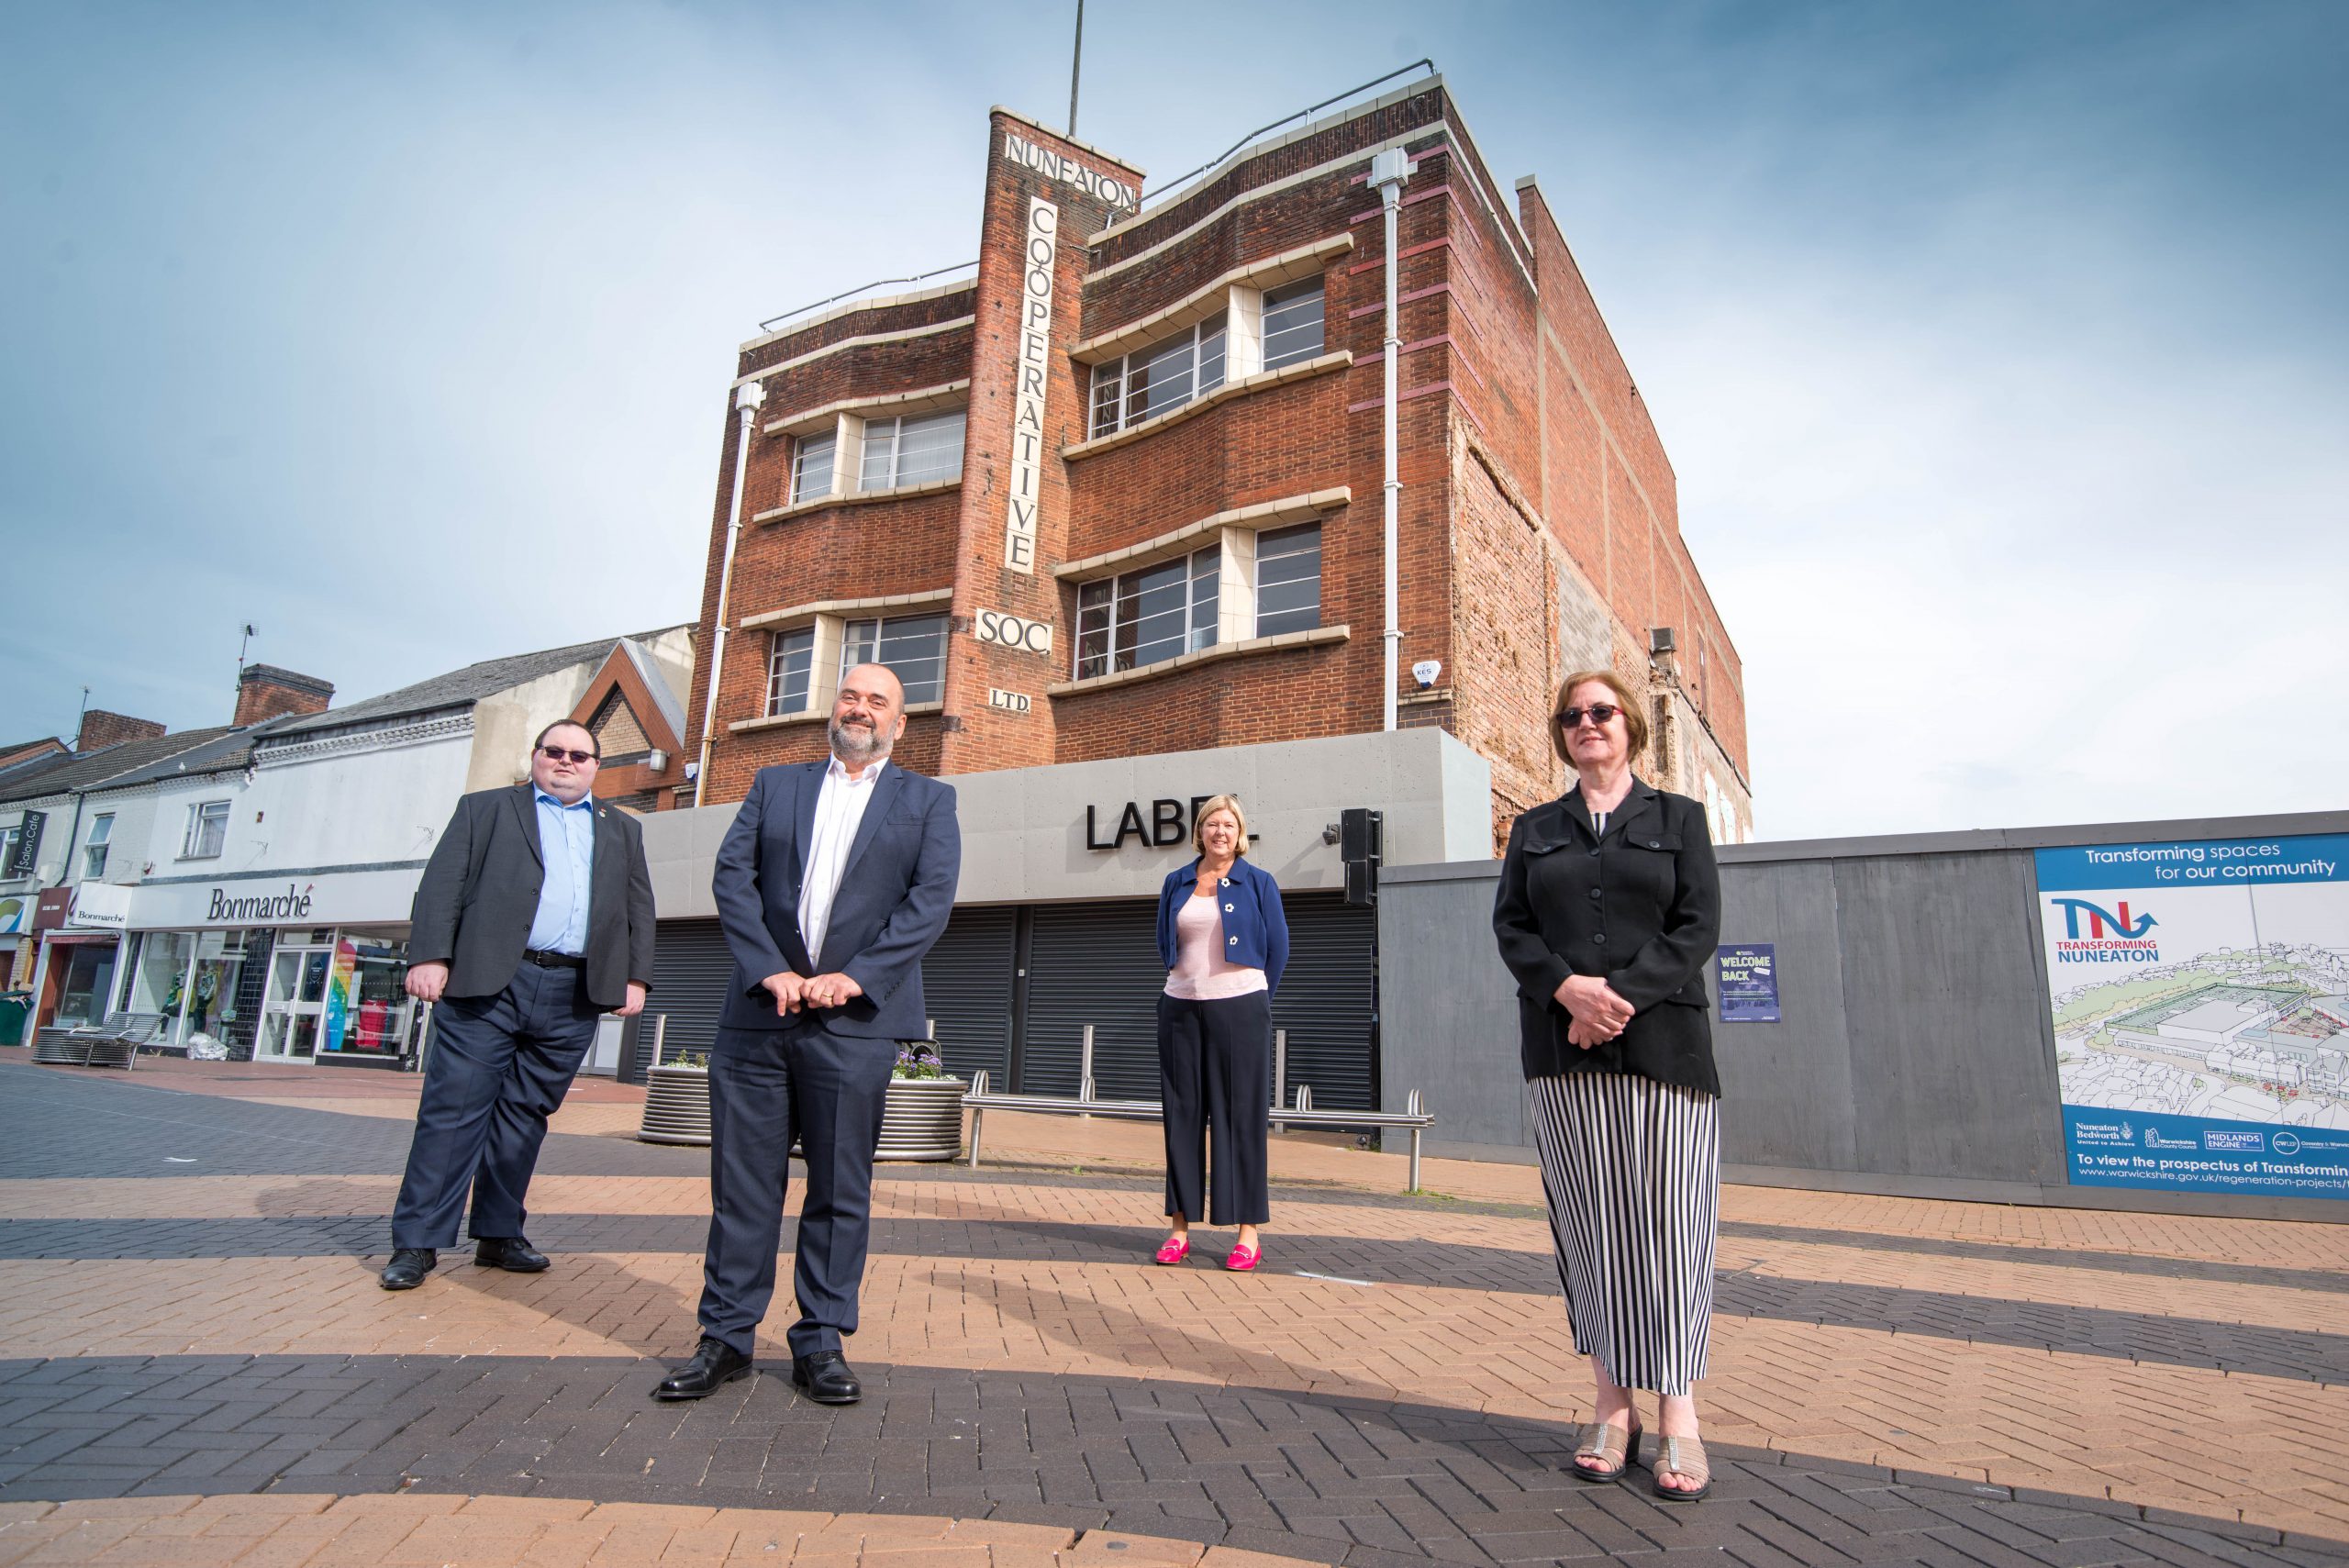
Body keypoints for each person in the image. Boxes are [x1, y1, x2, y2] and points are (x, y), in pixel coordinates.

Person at [656, 663, 960, 1407]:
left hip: (856, 1025)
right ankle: (724, 1336)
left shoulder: (929, 800)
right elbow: (733, 879)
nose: (861, 709)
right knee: (743, 1188)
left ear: (900, 721)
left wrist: (855, 977)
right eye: (851, 696)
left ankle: (820, 1338)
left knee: (839, 1189)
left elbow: (929, 903)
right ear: (835, 707)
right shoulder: (774, 784)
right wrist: (770, 970)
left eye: (878, 700)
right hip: (761, 1017)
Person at [1491, 670, 1723, 1503]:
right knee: (1591, 1226)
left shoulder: (1679, 820)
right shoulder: (1535, 828)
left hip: (1663, 1049)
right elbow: (1512, 926)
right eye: (1572, 716)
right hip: (1563, 1053)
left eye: (1602, 711)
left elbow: (1696, 927)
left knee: (1670, 1225)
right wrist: (1567, 992)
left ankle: (1679, 1413)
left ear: (1630, 725)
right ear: (1561, 734)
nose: (1587, 724)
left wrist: (1613, 1000)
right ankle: (1610, 1402)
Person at [379, 720, 654, 1290]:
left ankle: (499, 1234)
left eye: (580, 755)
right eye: (554, 751)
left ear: (596, 767)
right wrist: (429, 956)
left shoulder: (623, 830)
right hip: (489, 985)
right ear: (535, 757)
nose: (566, 761)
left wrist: (636, 978)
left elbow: (638, 909)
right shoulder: (485, 810)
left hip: (572, 993)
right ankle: (418, 1242)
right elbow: (441, 886)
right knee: (454, 1113)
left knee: (525, 1118)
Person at [1152, 794, 1286, 1272]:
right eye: (1211, 824)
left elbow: (1279, 949)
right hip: (1181, 1009)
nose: (1219, 832)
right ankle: (1179, 1230)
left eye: (1228, 824)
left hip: (1241, 1009)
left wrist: (1253, 1000)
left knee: (1241, 1119)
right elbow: (1164, 940)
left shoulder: (1259, 883)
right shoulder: (1176, 882)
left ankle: (1247, 1233)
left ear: (1239, 832)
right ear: (1200, 832)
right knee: (1182, 1118)